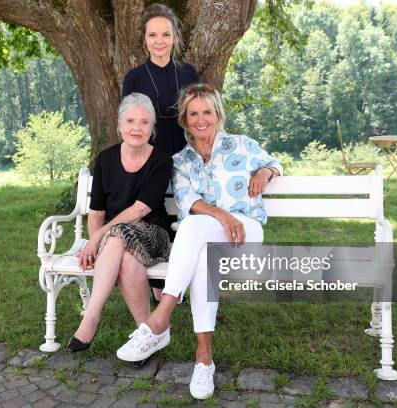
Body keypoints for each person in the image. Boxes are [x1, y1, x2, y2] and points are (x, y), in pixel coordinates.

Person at [116, 84, 282, 400]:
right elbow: (186, 199)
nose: (201, 119)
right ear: (185, 120)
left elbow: (276, 163)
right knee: (203, 255)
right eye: (194, 113)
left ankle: (159, 320)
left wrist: (265, 171)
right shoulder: (181, 160)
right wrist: (222, 215)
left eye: (207, 112)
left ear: (217, 114)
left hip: (245, 233)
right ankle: (203, 359)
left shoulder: (242, 145)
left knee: (193, 228)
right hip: (209, 235)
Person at [66, 93, 173, 352]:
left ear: (152, 128)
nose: (137, 128)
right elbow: (96, 212)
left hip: (154, 236)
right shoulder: (105, 159)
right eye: (131, 120)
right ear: (119, 125)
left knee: (117, 235)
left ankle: (91, 316)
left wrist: (97, 238)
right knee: (125, 258)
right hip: (117, 242)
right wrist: (98, 240)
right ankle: (146, 334)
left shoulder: (161, 160)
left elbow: (140, 210)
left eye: (145, 122)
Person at [122, 3, 200, 156]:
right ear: (144, 38)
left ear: (174, 36)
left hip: (190, 159)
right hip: (149, 162)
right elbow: (129, 125)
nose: (159, 41)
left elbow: (202, 115)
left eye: (166, 34)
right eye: (152, 35)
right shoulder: (133, 78)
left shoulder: (189, 73)